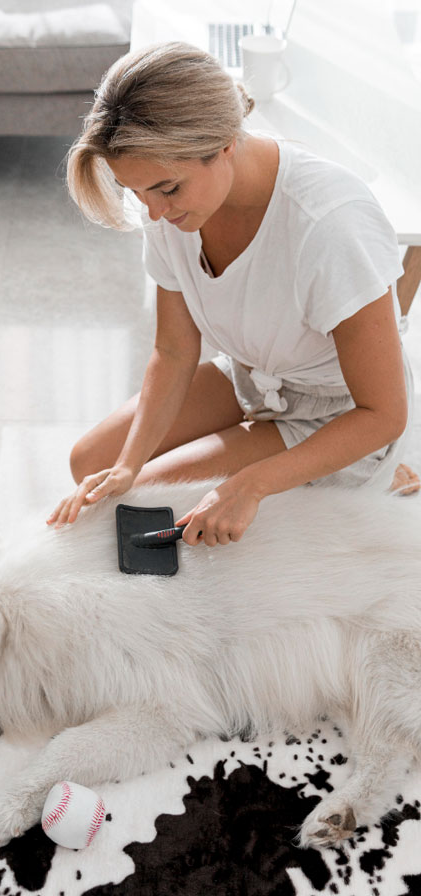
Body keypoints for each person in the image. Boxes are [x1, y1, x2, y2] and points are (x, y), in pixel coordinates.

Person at [48, 41, 418, 547]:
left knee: (143, 501)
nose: (153, 213)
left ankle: (373, 472)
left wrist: (251, 485)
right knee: (95, 466)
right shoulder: (173, 202)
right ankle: (307, 471)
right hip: (255, 374)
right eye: (135, 192)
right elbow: (174, 350)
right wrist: (129, 464)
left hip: (337, 410)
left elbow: (384, 413)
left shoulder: (330, 226)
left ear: (225, 143)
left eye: (166, 189)